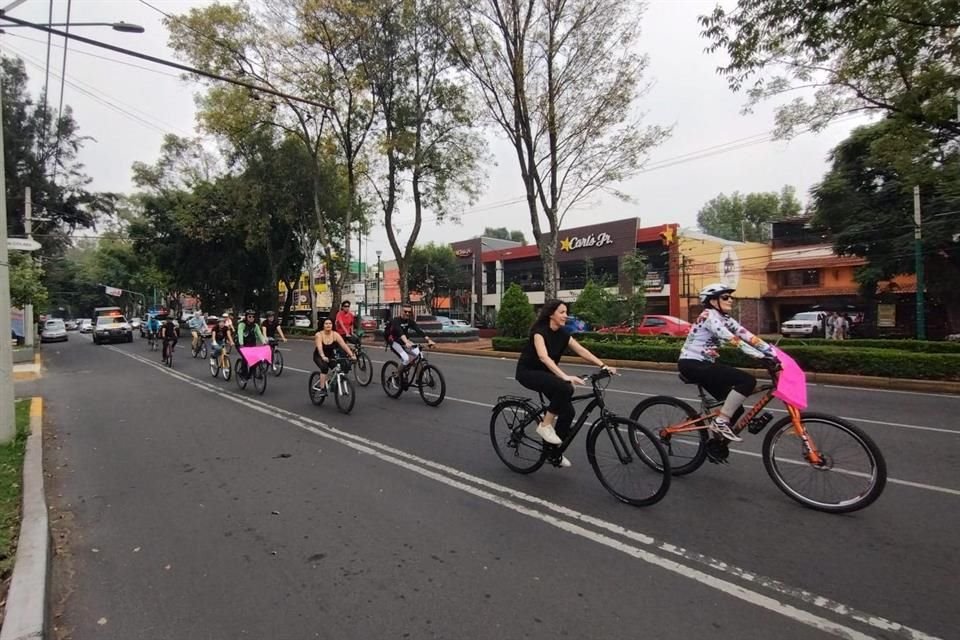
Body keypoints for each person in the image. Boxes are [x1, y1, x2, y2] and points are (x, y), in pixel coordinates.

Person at [515, 299, 615, 468]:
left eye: (566, 312)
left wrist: (603, 365)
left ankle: (553, 453)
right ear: (551, 314)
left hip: (546, 374)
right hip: (528, 372)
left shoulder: (563, 333)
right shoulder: (539, 332)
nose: (565, 316)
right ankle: (545, 426)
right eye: (562, 312)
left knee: (568, 412)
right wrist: (565, 376)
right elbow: (543, 357)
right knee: (565, 387)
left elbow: (582, 351)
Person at [678, 283, 779, 442]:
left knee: (735, 409)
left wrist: (774, 353)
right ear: (712, 302)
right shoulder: (708, 316)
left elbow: (747, 335)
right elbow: (732, 339)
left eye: (731, 296)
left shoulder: (725, 319)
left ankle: (717, 445)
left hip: (705, 364)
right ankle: (720, 422)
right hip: (692, 364)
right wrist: (760, 356)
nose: (730, 300)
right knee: (747, 381)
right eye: (725, 297)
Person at [313, 317, 357, 395]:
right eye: (326, 324)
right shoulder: (319, 335)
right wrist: (323, 356)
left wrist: (352, 355)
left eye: (330, 323)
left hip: (330, 356)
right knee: (324, 368)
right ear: (323, 325)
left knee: (338, 368)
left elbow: (344, 345)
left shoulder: (335, 334)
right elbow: (319, 347)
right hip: (319, 356)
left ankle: (329, 381)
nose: (328, 325)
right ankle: (322, 389)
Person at [235, 309, 267, 377]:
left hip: (251, 343)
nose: (251, 318)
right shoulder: (242, 324)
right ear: (246, 317)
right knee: (245, 358)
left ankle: (252, 372)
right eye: (249, 316)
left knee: (255, 358)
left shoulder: (255, 325)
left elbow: (260, 334)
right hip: (241, 344)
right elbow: (240, 334)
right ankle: (243, 374)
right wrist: (241, 344)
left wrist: (264, 343)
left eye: (253, 316)